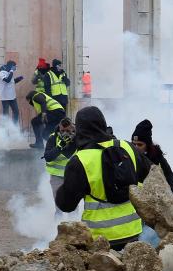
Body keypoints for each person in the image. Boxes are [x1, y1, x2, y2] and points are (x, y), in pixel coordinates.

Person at [55, 107, 150, 250]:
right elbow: (149, 177)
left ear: (80, 129)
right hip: (134, 233)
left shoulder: (80, 160)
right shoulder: (127, 146)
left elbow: (66, 205)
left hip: (99, 240)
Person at [131, 119, 173, 207]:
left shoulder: (158, 160)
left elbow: (172, 182)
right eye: (133, 144)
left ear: (147, 145)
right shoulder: (128, 159)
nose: (136, 148)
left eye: (140, 145)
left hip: (156, 206)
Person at [44, 116, 75, 199]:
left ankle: (75, 213)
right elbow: (47, 157)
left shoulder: (78, 138)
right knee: (58, 198)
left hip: (73, 174)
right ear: (59, 128)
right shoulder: (53, 137)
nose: (65, 133)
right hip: (56, 174)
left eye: (68, 131)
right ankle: (58, 212)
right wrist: (59, 147)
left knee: (73, 198)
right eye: (62, 131)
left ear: (72, 128)